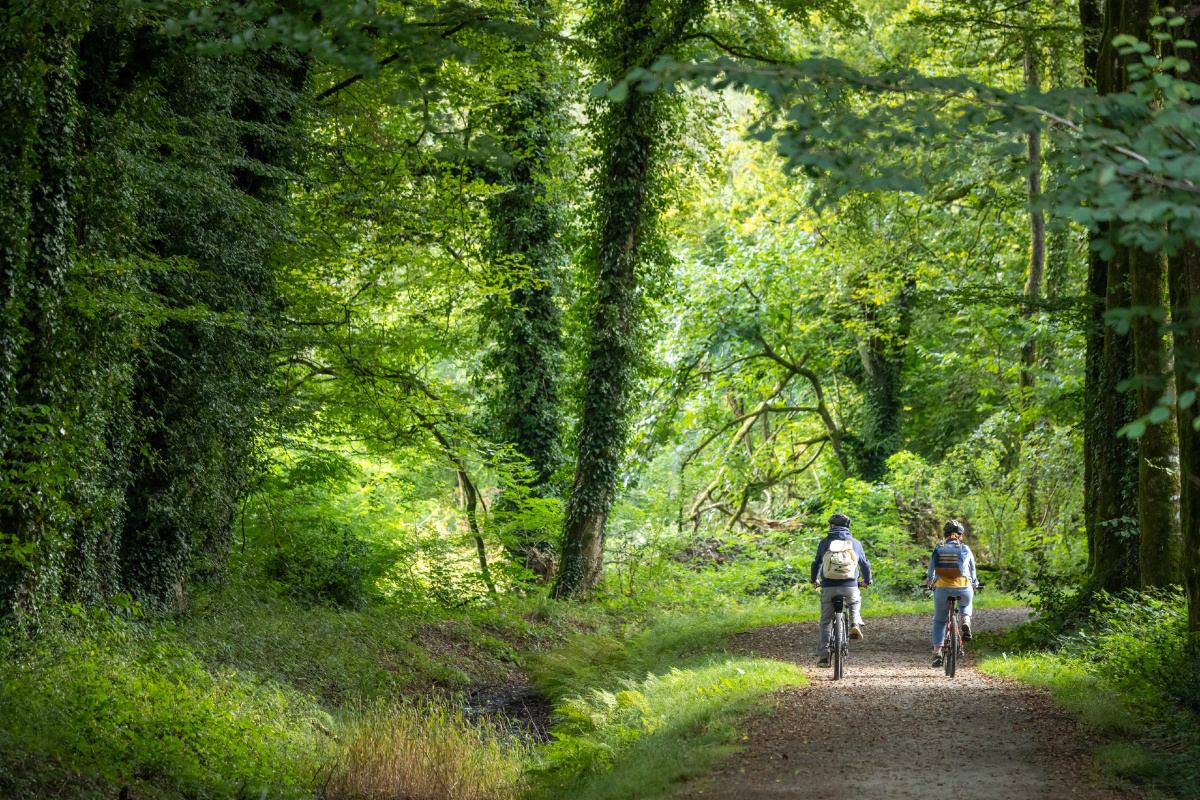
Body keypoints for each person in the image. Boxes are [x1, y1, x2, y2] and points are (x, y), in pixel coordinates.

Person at [809, 512, 873, 668]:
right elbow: (864, 564)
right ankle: (855, 622)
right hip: (850, 586)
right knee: (855, 601)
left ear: (832, 526)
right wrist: (867, 580)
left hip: (829, 587)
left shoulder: (824, 543)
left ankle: (823, 657)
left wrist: (814, 579)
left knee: (825, 621)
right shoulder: (855, 543)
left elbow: (816, 563)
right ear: (847, 527)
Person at [925, 520, 979, 668]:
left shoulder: (938, 547)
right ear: (960, 536)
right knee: (966, 603)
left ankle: (937, 653)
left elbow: (931, 569)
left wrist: (929, 581)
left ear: (945, 534)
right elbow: (972, 569)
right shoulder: (965, 548)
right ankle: (965, 619)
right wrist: (974, 583)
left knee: (940, 621)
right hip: (963, 586)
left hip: (942, 588)